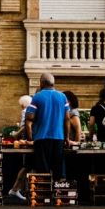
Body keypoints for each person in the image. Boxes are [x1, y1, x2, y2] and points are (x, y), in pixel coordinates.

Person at [12, 73, 69, 202]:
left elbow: (29, 119)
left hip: (42, 139)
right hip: (59, 138)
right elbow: (67, 119)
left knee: (43, 170)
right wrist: (66, 137)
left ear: (41, 83)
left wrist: (30, 137)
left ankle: (44, 197)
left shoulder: (37, 97)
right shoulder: (63, 97)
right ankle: (59, 196)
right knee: (58, 169)